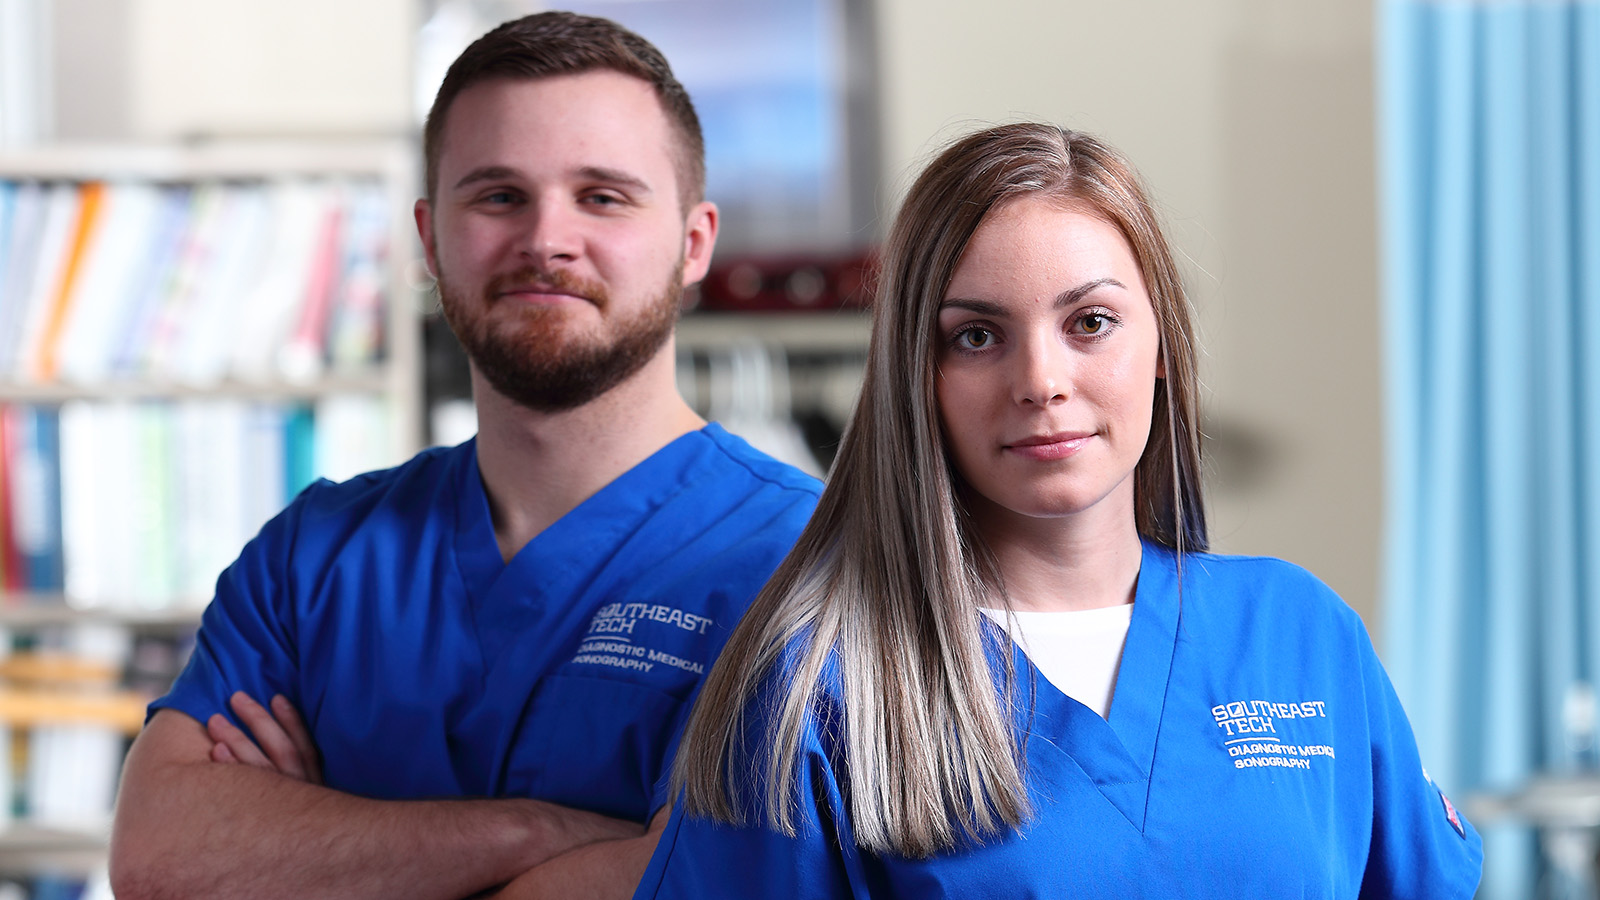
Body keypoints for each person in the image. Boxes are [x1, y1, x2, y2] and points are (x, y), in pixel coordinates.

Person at [632, 124, 1483, 898]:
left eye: (1091, 321)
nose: (1041, 380)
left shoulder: (1298, 633)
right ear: (914, 376)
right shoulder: (813, 695)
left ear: (1160, 346)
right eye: (976, 336)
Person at [108, 12, 821, 900]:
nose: (546, 241)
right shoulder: (315, 556)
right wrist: (545, 835)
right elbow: (161, 855)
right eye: (497, 196)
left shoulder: (807, 567)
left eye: (602, 196)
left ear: (694, 243)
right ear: (429, 236)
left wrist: (320, 845)